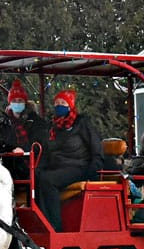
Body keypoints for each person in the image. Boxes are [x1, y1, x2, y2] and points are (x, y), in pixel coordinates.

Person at [34, 89, 102, 232]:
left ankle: (54, 226)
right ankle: (38, 220)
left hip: (78, 166)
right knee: (36, 177)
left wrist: (93, 170)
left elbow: (96, 148)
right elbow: (47, 151)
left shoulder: (82, 124)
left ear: (70, 105)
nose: (59, 106)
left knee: (48, 179)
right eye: (57, 103)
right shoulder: (54, 127)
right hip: (58, 167)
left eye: (63, 103)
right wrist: (37, 168)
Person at [0, 80, 49, 180]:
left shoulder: (36, 121)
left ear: (25, 102)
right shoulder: (3, 123)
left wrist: (24, 150)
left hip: (30, 163)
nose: (17, 103)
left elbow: (40, 145)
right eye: (14, 101)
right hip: (8, 164)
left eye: (20, 100)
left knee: (34, 176)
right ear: (10, 103)